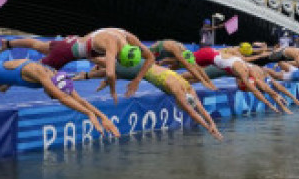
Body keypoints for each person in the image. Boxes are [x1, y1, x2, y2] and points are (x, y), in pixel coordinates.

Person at [77, 60, 223, 141]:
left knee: (114, 71)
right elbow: (193, 113)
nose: (180, 105)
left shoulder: (189, 89)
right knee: (110, 68)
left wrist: (212, 125)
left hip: (146, 66)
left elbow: (200, 109)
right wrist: (208, 128)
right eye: (181, 105)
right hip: (141, 70)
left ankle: (90, 74)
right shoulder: (178, 91)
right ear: (181, 101)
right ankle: (85, 62)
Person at [0, 28, 154, 104]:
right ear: (120, 55)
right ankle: (8, 80)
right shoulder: (112, 45)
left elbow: (151, 57)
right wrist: (113, 92)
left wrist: (137, 79)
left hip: (72, 41)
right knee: (37, 73)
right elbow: (111, 74)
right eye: (119, 60)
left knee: (38, 45)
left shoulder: (128, 37)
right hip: (67, 53)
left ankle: (7, 44)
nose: (117, 61)